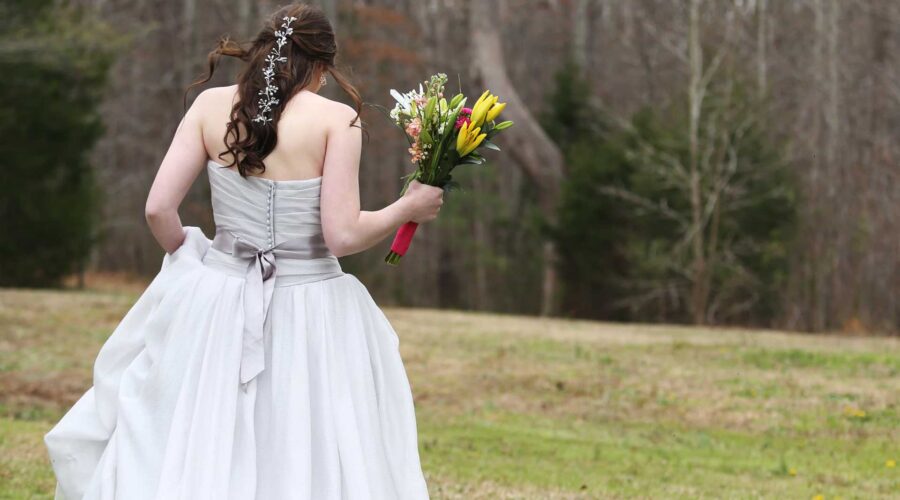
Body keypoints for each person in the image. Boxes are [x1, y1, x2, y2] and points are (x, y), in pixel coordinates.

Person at [43, 3, 441, 499]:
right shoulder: (338, 120)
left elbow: (158, 209)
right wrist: (407, 207)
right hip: (310, 304)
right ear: (322, 64)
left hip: (218, 293)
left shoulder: (210, 106)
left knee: (207, 423)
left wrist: (193, 258)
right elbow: (341, 236)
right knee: (301, 430)